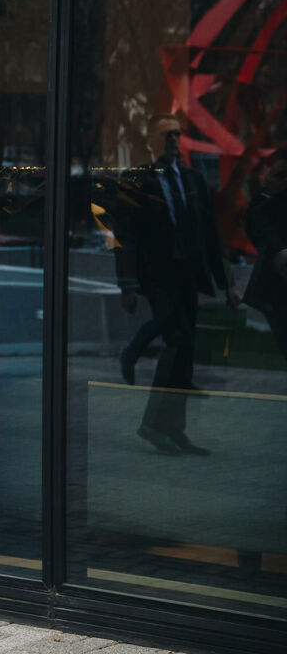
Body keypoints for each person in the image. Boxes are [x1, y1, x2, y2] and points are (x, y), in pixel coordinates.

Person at [114, 114, 240, 455]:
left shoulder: (192, 179)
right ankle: (154, 425)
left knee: (184, 348)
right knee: (179, 339)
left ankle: (174, 429)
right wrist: (127, 285)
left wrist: (226, 282)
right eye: (166, 135)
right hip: (157, 276)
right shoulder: (138, 179)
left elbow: (210, 235)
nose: (173, 140)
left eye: (176, 134)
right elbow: (125, 235)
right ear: (153, 141)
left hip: (188, 276)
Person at [243, 152, 287, 361]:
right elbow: (258, 226)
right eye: (274, 175)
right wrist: (280, 250)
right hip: (274, 291)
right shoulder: (264, 205)